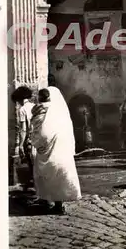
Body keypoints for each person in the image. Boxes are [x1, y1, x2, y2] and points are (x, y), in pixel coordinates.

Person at [31, 87, 81, 215]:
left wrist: (37, 143)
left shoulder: (38, 110)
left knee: (44, 174)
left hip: (45, 148)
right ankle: (59, 204)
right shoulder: (60, 111)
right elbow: (67, 132)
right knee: (59, 175)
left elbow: (40, 133)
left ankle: (46, 200)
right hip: (60, 149)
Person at [11, 86, 34, 191]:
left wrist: (20, 145)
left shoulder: (22, 109)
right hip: (38, 138)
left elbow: (23, 129)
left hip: (29, 140)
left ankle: (35, 188)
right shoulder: (34, 106)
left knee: (31, 164)